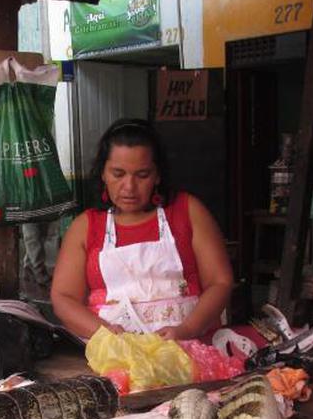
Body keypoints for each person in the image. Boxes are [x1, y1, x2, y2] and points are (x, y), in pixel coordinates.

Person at [51, 118, 233, 341]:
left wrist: (187, 330)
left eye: (142, 175)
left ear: (157, 176)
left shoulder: (188, 211)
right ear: (103, 174)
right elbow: (63, 297)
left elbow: (220, 282)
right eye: (118, 174)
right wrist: (108, 334)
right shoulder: (85, 227)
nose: (129, 187)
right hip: (115, 354)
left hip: (190, 348)